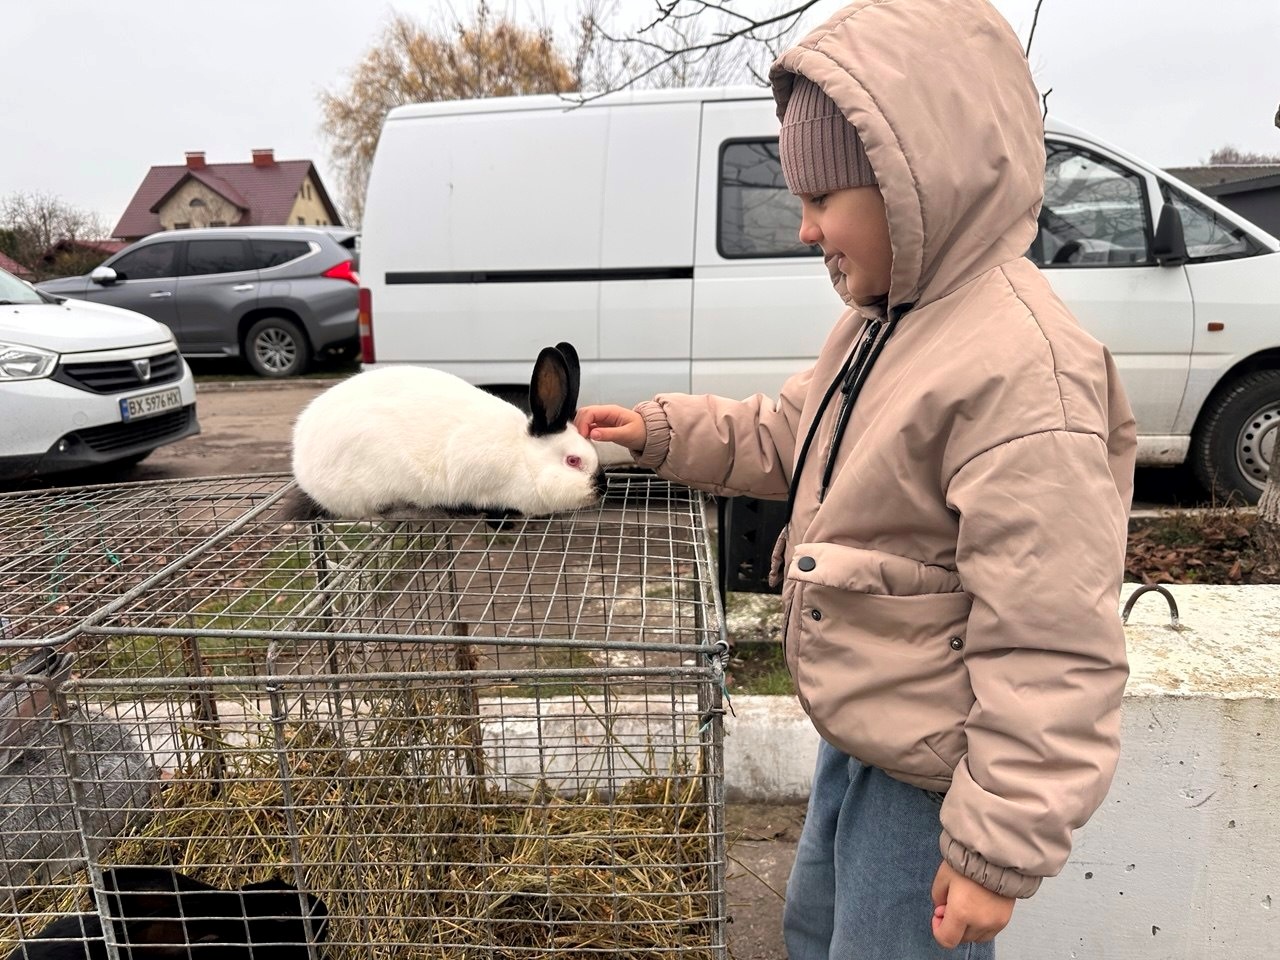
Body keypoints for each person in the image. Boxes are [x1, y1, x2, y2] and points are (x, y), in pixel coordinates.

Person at [576, 0, 1136, 955]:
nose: (804, 231)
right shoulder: (884, 321)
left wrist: (995, 849)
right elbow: (793, 433)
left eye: (821, 200)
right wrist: (661, 432)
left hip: (932, 778)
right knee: (814, 929)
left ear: (918, 182)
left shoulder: (1022, 369)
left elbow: (1051, 640)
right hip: (866, 733)